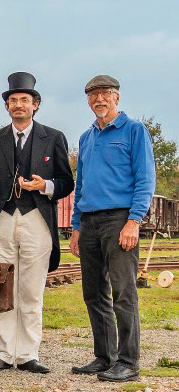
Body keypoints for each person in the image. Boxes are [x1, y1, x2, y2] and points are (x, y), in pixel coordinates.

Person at [0, 73, 73, 374]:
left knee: (31, 291)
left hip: (37, 219)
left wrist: (44, 186)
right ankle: (4, 353)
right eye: (13, 100)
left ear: (36, 104)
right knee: (4, 288)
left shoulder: (53, 137)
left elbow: (66, 182)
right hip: (4, 219)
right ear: (7, 106)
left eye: (24, 100)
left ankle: (28, 354)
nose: (18, 105)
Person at [69, 75, 155, 383]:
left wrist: (134, 220)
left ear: (116, 98)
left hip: (120, 219)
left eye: (105, 93)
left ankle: (128, 362)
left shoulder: (134, 131)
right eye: (93, 95)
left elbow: (145, 179)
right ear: (88, 101)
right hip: (89, 221)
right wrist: (76, 226)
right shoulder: (86, 137)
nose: (99, 99)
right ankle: (105, 356)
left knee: (123, 292)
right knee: (93, 293)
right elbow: (81, 185)